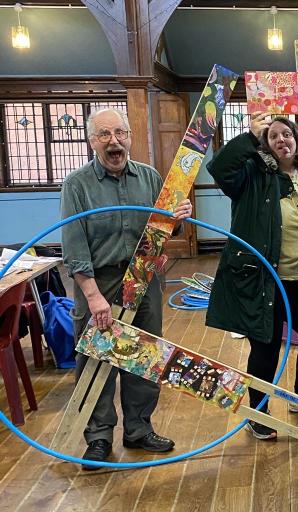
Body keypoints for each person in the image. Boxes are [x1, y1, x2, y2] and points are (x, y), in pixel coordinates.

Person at [205, 110, 298, 440]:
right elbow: (219, 168)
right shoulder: (253, 175)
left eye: (286, 134)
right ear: (266, 145)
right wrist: (250, 137)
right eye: (273, 137)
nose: (281, 139)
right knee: (265, 347)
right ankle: (259, 411)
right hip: (265, 280)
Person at [61, 108, 192, 470]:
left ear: (130, 137)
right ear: (92, 141)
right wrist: (93, 295)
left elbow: (165, 231)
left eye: (120, 133)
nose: (113, 141)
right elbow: (74, 246)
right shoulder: (77, 185)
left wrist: (176, 221)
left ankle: (138, 429)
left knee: (143, 356)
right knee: (96, 357)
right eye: (104, 134)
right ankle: (99, 438)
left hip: (144, 277)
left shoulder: (150, 178)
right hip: (98, 279)